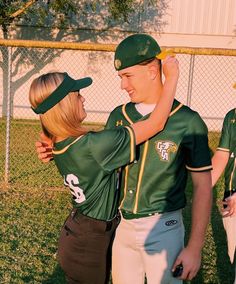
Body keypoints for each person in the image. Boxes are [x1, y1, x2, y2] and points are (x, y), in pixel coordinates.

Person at [35, 34, 212, 284]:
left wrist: (194, 247)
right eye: (120, 77)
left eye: (127, 76)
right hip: (122, 228)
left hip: (165, 226)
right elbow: (92, 155)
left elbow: (203, 186)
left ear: (153, 71)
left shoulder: (188, 121)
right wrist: (54, 148)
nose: (122, 85)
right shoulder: (119, 115)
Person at [211, 108, 236, 284]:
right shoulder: (232, 116)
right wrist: (203, 189)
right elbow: (222, 154)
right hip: (231, 198)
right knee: (233, 253)